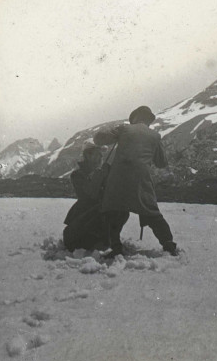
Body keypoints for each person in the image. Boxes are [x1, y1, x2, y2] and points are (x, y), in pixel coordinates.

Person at [93, 106, 179, 257]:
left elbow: (98, 139)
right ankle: (168, 244)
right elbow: (161, 162)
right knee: (151, 213)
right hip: (141, 178)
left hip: (118, 177)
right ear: (148, 120)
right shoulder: (155, 135)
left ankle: (116, 247)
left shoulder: (124, 129)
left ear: (134, 118)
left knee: (114, 211)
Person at [63, 144, 125, 251]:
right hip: (75, 235)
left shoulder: (101, 173)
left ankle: (106, 241)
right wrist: (99, 176)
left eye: (101, 154)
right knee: (106, 209)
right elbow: (89, 196)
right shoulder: (77, 175)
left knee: (121, 209)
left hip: (91, 227)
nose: (101, 157)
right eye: (97, 154)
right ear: (88, 155)